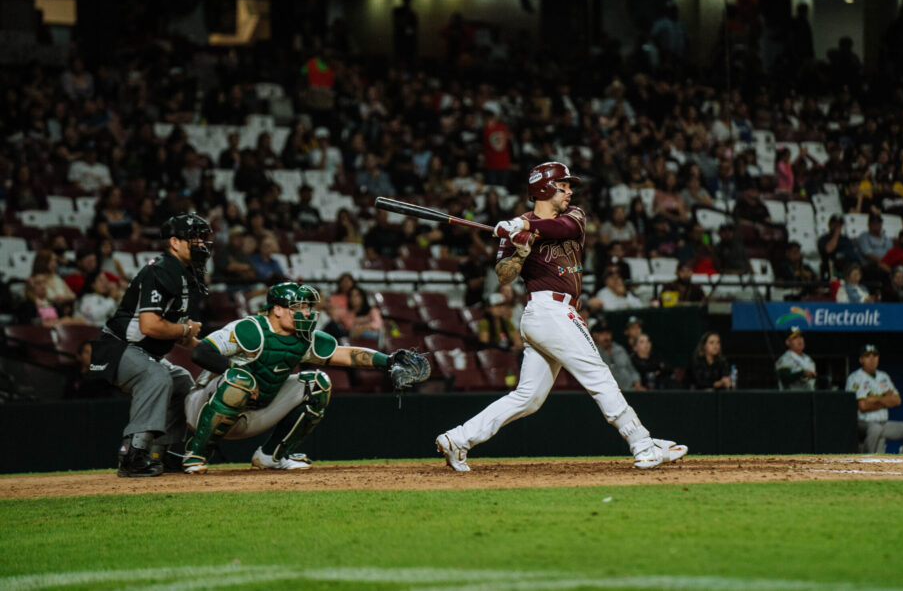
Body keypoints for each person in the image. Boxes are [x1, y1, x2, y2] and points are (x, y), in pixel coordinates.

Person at [435, 162, 686, 472]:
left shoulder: (573, 215)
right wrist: (520, 252)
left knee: (528, 398)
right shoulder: (516, 229)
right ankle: (642, 445)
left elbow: (563, 229)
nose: (569, 192)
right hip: (546, 310)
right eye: (563, 186)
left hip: (555, 313)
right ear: (544, 188)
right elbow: (504, 275)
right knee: (598, 374)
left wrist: (522, 227)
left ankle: (458, 438)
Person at [182, 282, 429, 473]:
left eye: (308, 307)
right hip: (203, 408)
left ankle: (271, 455)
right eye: (299, 307)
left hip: (255, 413)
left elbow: (345, 354)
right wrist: (235, 371)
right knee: (240, 380)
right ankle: (196, 452)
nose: (307, 313)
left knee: (318, 383)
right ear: (277, 310)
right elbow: (201, 352)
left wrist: (388, 361)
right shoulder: (250, 329)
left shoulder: (302, 338)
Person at [87, 213, 212, 478]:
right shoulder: (162, 270)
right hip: (118, 347)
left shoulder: (184, 273)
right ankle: (132, 455)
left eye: (203, 238)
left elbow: (179, 334)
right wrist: (186, 329)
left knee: (181, 381)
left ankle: (157, 453)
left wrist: (219, 353)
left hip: (143, 351)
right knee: (157, 376)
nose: (201, 243)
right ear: (175, 242)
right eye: (194, 238)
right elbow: (150, 326)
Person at [844, 344, 903, 454]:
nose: (872, 359)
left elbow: (897, 400)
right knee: (875, 429)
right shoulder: (854, 378)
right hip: (863, 423)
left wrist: (875, 398)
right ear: (861, 360)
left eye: (875, 356)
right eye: (867, 356)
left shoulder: (883, 376)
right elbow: (862, 406)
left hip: (884, 423)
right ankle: (866, 458)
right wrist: (885, 398)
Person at [590, 318, 643, 392]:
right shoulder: (594, 353)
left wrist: (637, 384)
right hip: (610, 392)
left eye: (608, 333)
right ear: (596, 335)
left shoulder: (619, 349)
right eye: (602, 334)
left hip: (631, 389)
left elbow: (631, 369)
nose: (606, 337)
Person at [774, 326, 816, 390]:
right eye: (795, 337)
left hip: (809, 394)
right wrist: (802, 373)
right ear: (788, 342)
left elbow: (811, 381)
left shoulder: (808, 359)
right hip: (791, 395)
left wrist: (808, 376)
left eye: (800, 336)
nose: (799, 340)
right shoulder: (785, 359)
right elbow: (785, 378)